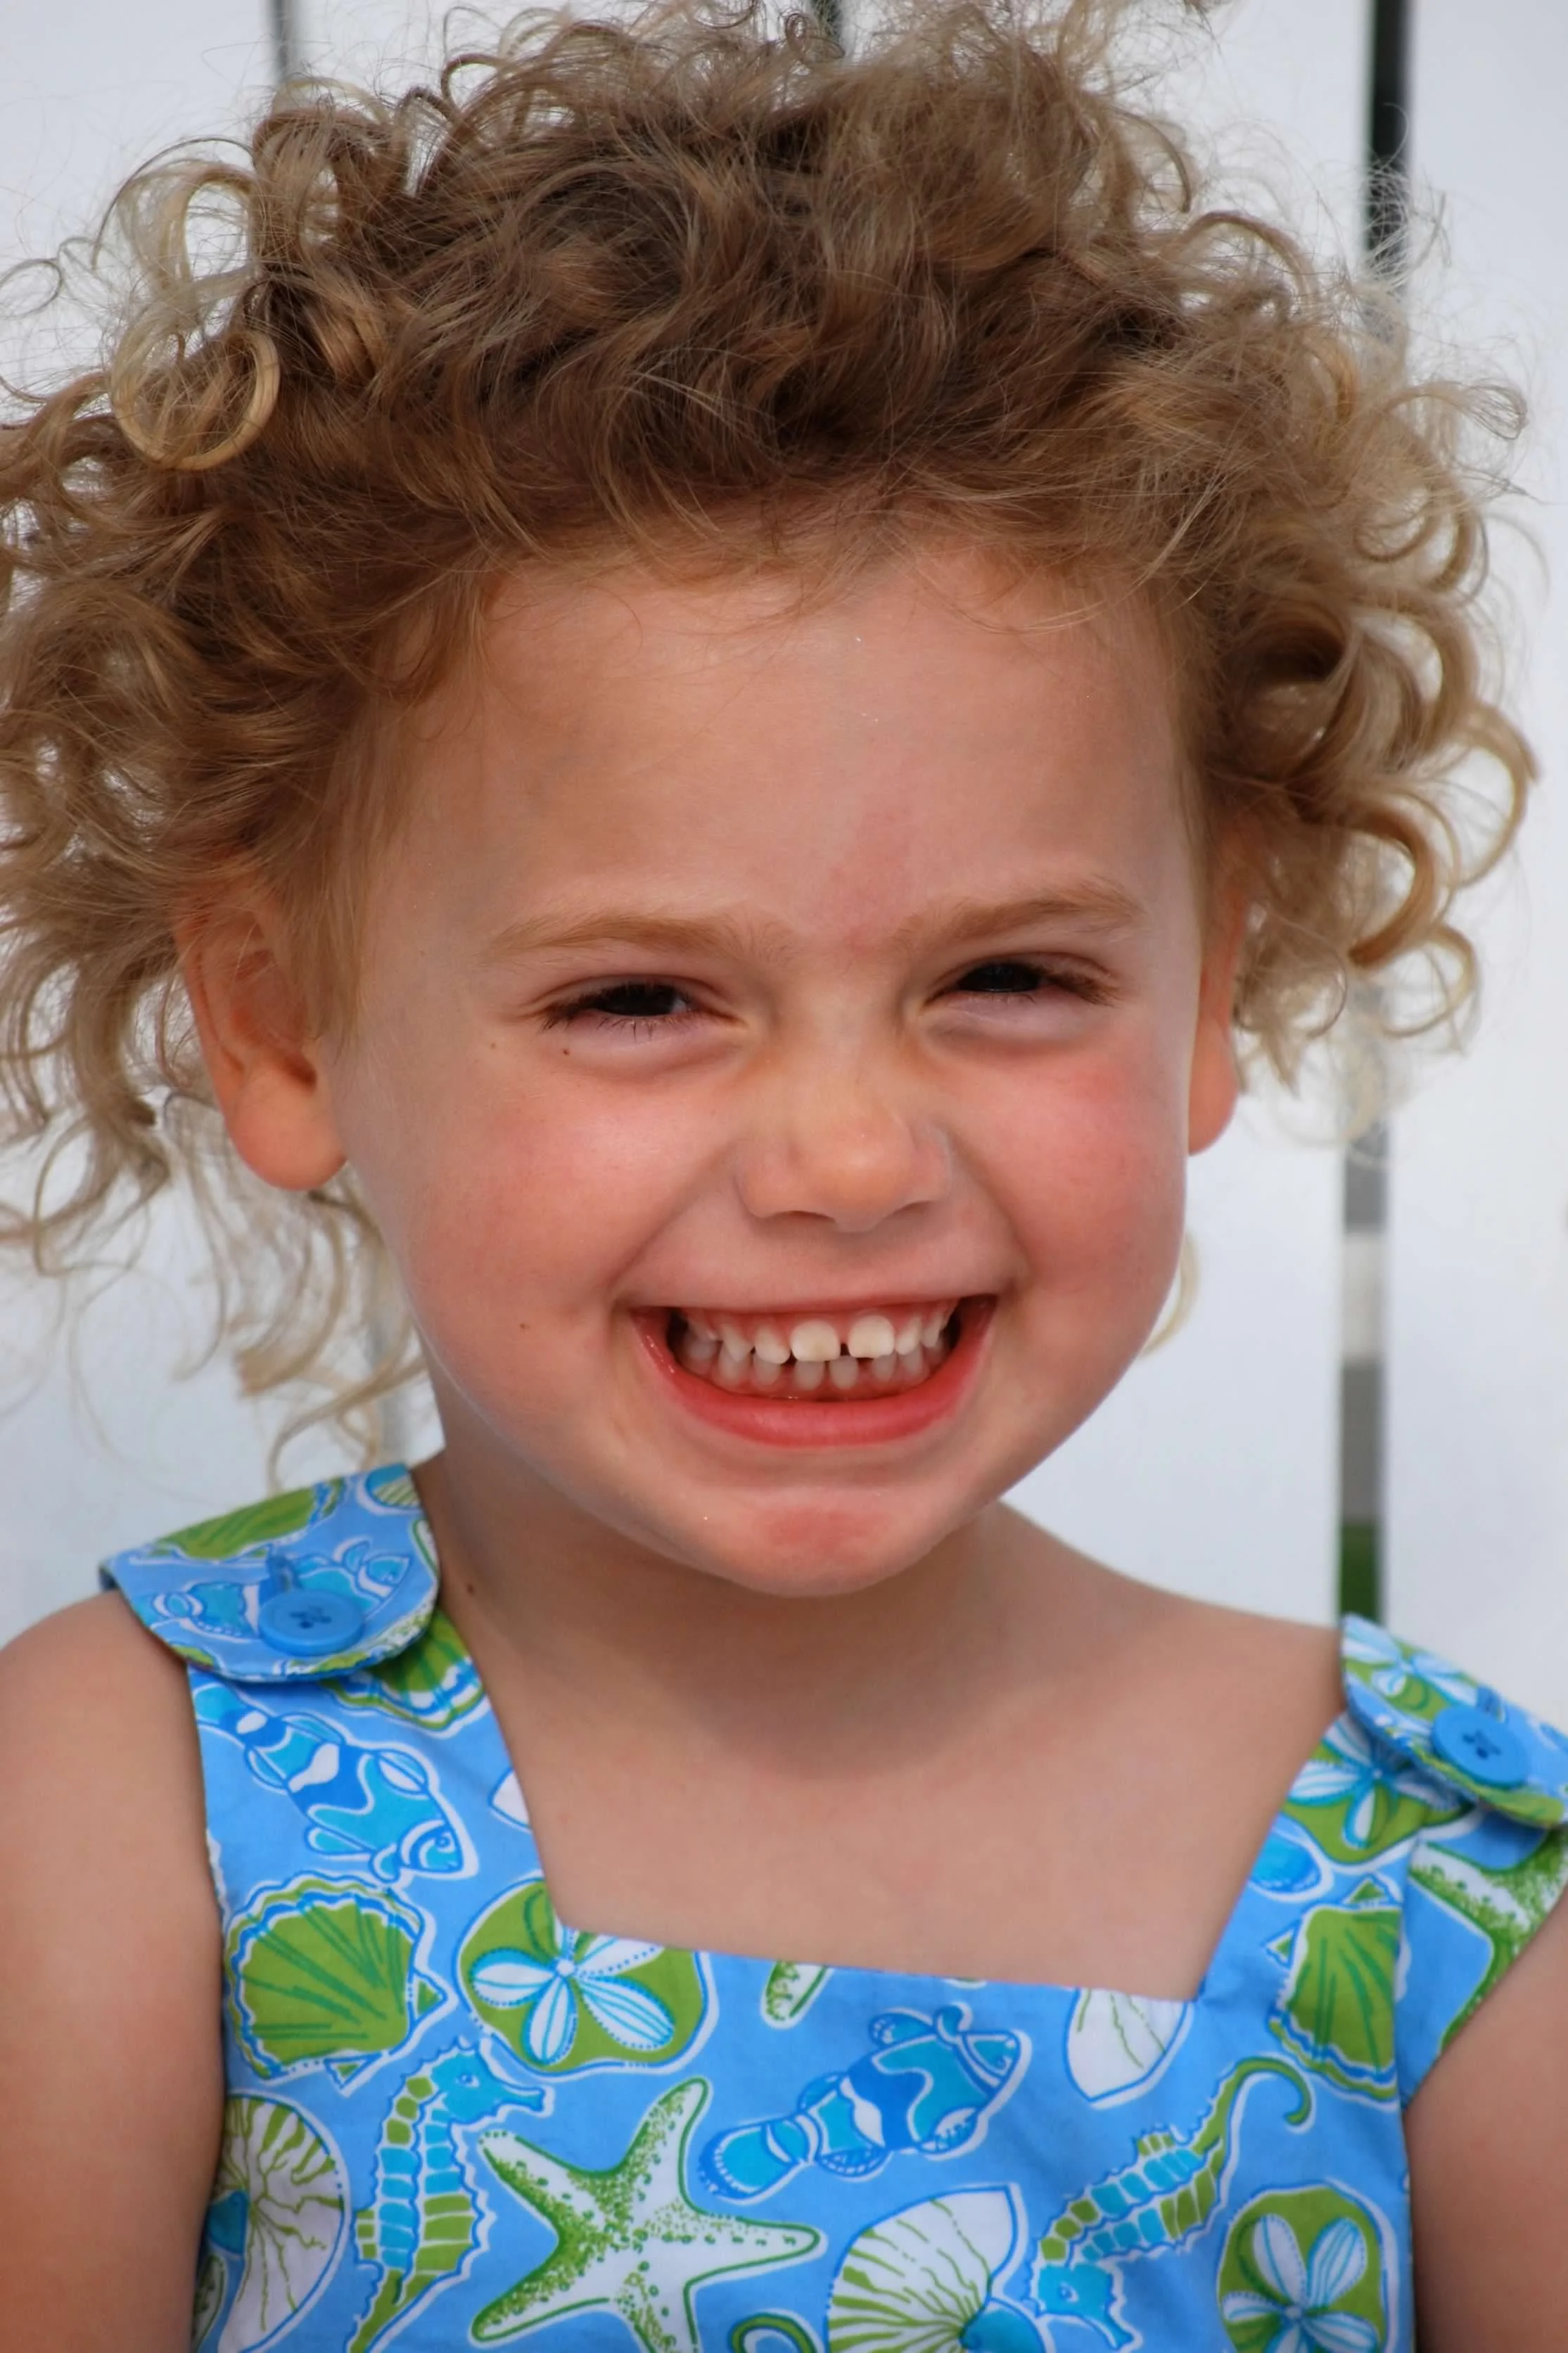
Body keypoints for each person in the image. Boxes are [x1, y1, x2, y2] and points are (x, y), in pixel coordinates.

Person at [0, 1, 1560, 2344]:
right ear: (281, 1026)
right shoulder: (127, 1823)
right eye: (639, 999)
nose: (846, 1158)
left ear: (1214, 979)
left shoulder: (1444, 1907)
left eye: (1010, 977)